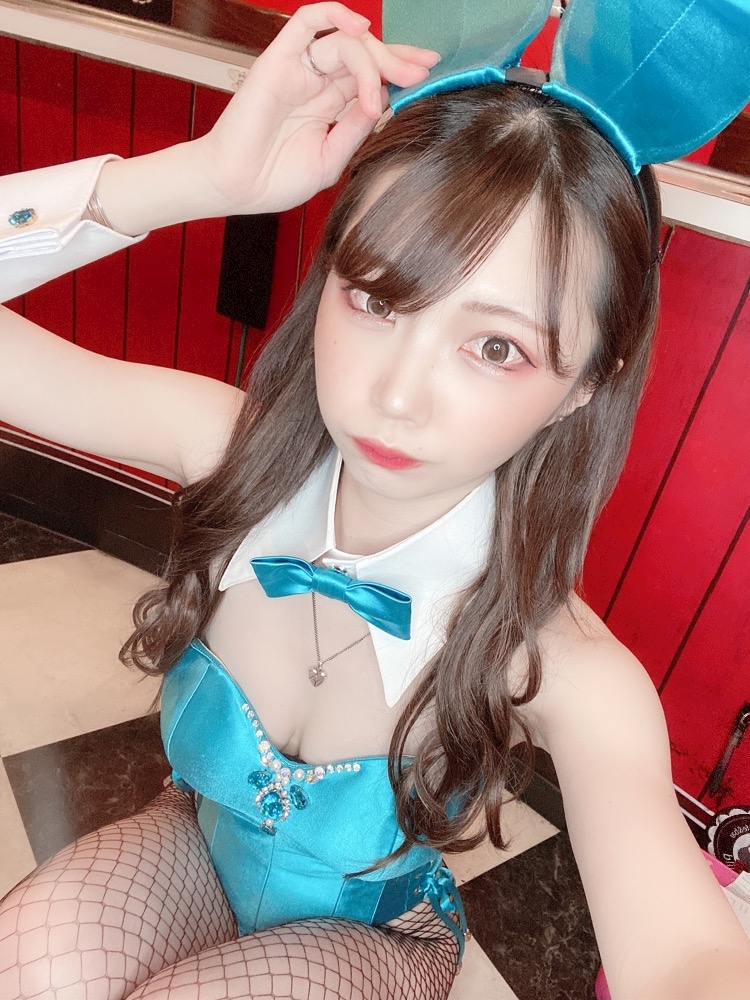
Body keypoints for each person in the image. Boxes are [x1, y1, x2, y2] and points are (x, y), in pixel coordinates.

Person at [1, 3, 749, 999]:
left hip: (379, 938)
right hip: (192, 847)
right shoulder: (224, 448)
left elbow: (688, 959)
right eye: (378, 299)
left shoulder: (567, 666)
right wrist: (197, 176)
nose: (396, 394)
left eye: (495, 346)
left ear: (583, 384)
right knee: (37, 960)